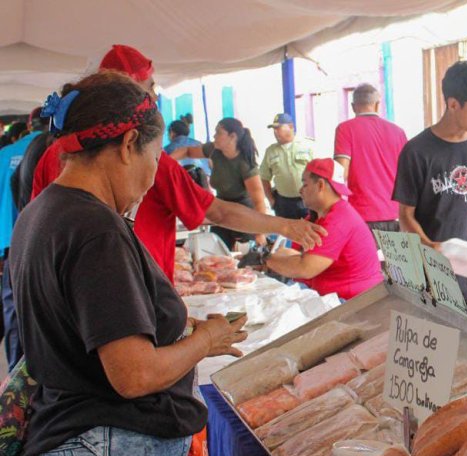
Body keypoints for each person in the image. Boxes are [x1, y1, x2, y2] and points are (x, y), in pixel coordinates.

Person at [10, 71, 248, 456]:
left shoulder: (41, 212)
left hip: (72, 448)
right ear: (124, 146)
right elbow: (133, 374)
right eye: (152, 160)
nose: (151, 178)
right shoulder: (95, 228)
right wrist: (204, 342)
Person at [30, 45, 325, 281]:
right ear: (129, 143)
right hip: (137, 299)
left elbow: (40, 236)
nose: (156, 95)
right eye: (151, 87)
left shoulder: (55, 155)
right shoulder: (148, 163)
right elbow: (218, 212)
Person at [393, 61, 467, 316]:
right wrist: (432, 249)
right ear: (453, 104)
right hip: (438, 282)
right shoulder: (417, 151)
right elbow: (405, 215)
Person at [262, 158, 383, 300]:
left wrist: (265, 259)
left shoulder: (338, 220)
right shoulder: (319, 216)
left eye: (305, 184)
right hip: (332, 295)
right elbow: (295, 252)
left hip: (352, 303)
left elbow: (305, 268)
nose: (300, 190)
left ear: (320, 185)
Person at [170, 117, 270, 250]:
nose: (214, 136)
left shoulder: (245, 165)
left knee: (242, 262)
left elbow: (259, 201)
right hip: (220, 209)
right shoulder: (213, 150)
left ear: (232, 137)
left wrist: (260, 233)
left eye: (218, 132)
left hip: (243, 214)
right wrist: (165, 162)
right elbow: (187, 151)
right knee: (217, 255)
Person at [2, 108, 50, 370]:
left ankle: (15, 384)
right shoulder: (55, 151)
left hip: (11, 244)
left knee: (15, 318)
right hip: (42, 245)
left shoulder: (5, 155)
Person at [334, 84, 407, 231]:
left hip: (362, 216)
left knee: (368, 255)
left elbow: (340, 173)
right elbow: (408, 175)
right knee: (393, 256)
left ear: (353, 106)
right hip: (396, 215)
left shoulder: (345, 129)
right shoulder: (398, 132)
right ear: (377, 105)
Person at [260, 113, 313, 220]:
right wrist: (272, 200)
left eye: (278, 128)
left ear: (291, 127)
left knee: (312, 231)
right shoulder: (271, 151)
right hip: (284, 203)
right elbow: (264, 177)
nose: (275, 132)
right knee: (286, 235)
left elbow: (321, 173)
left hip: (308, 199)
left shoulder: (307, 146)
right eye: (274, 129)